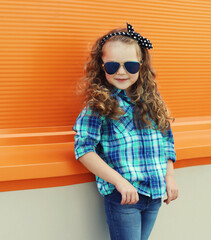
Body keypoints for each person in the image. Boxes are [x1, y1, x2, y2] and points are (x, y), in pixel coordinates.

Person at [72, 23, 179, 240]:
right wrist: (119, 182)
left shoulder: (152, 101)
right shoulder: (99, 106)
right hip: (124, 196)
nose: (122, 72)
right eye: (113, 66)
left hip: (154, 194)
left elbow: (167, 140)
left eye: (130, 65)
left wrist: (170, 177)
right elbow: (84, 149)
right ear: (102, 66)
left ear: (141, 65)